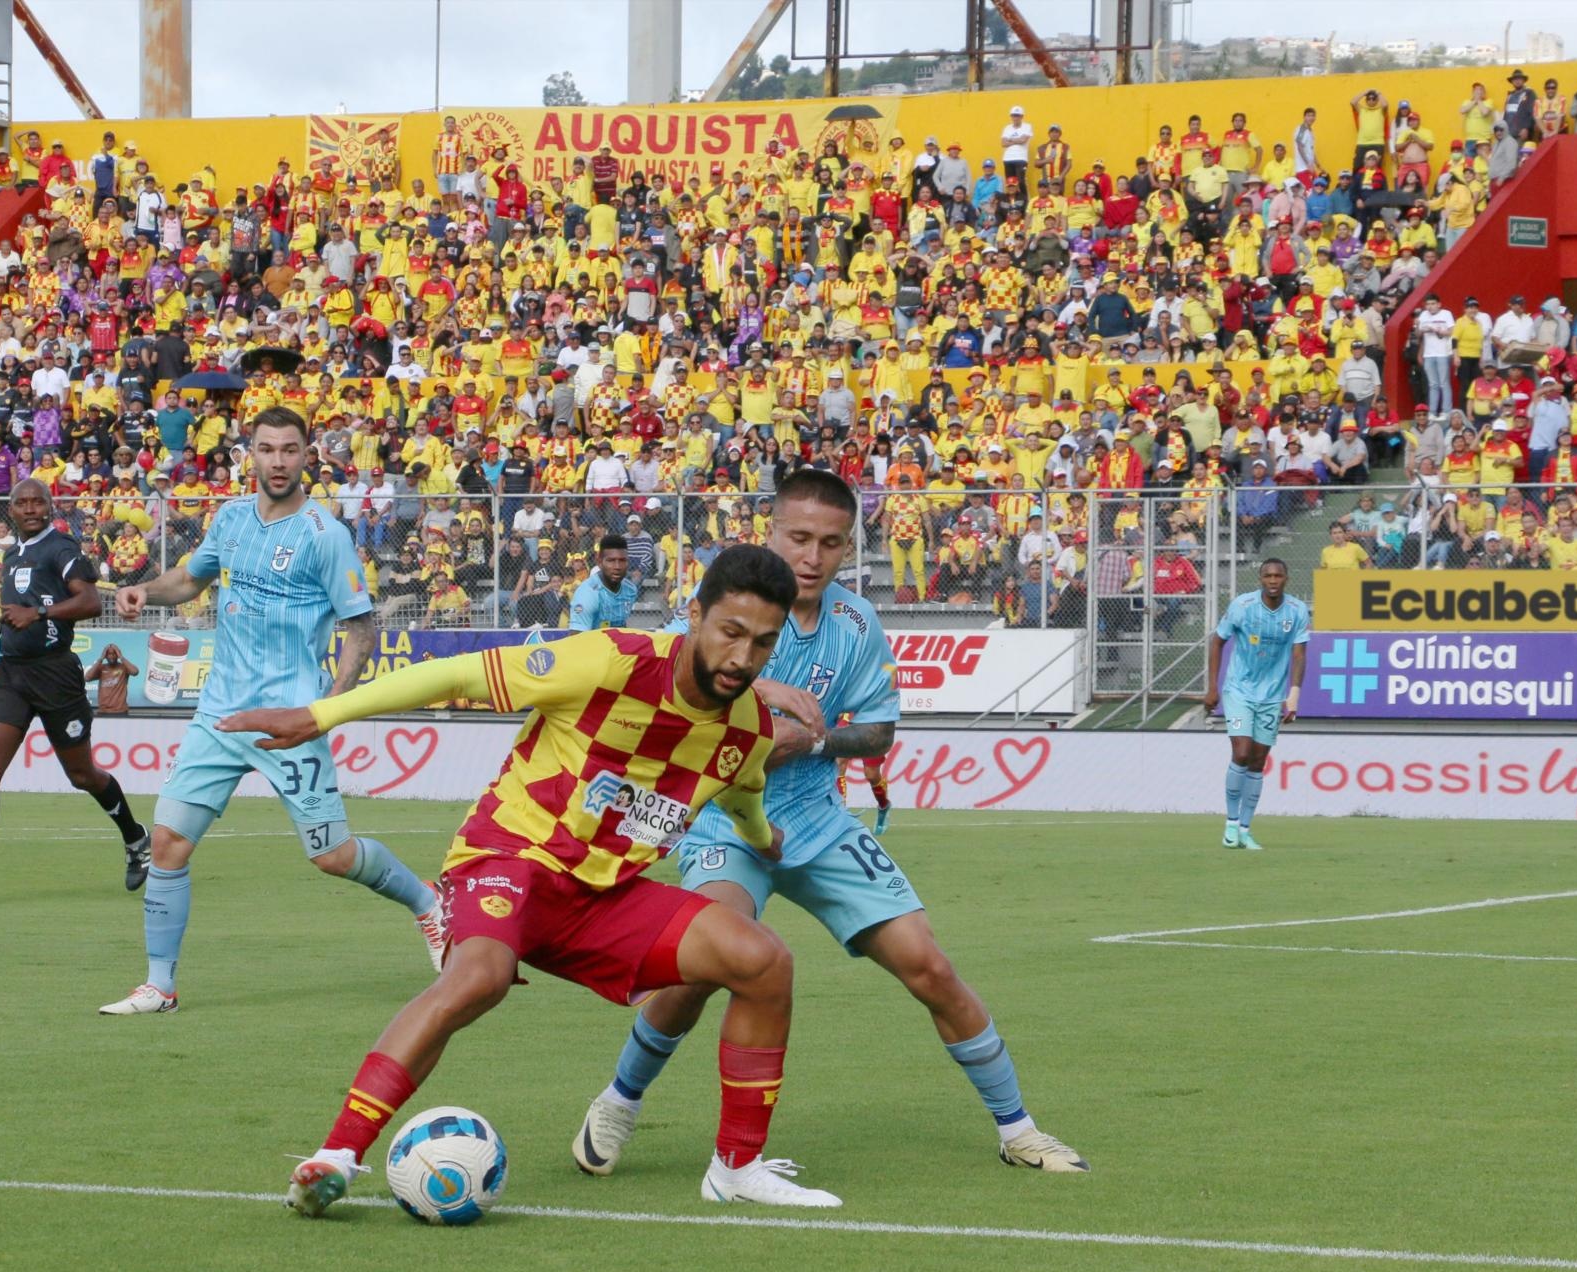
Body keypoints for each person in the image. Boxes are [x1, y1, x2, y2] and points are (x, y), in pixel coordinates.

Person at [228, 545, 846, 1214]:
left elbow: (743, 792)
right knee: (479, 978)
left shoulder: (748, 727)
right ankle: (336, 1155)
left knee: (763, 960)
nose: (742, 657)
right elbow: (456, 672)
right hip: (510, 858)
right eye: (730, 632)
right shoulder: (610, 661)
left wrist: (761, 837)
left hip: (602, 899)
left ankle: (736, 1167)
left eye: (762, 643)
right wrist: (320, 715)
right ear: (694, 615)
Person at [573, 471, 1085, 1180]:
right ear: (772, 531)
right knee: (705, 966)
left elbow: (878, 731)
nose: (812, 556)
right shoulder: (723, 604)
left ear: (849, 546)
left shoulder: (857, 624)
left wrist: (810, 742)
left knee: (930, 966)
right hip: (724, 821)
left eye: (831, 543)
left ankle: (1019, 1129)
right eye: (799, 537)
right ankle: (619, 1100)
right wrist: (753, 699)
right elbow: (652, 673)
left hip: (818, 820)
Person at [101, 407, 443, 1016]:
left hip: (290, 723)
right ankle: (160, 986)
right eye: (267, 449)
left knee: (331, 855)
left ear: (308, 455)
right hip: (219, 714)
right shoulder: (231, 519)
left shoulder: (325, 535)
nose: (278, 461)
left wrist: (328, 709)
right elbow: (189, 581)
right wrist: (144, 591)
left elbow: (361, 629)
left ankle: (429, 903)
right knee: (168, 843)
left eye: (289, 450)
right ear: (249, 454)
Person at [0, 478, 149, 902]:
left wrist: (36, 613)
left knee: (82, 775)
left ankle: (135, 838)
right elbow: (20, 611)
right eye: (23, 503)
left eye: (39, 502)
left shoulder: (61, 548)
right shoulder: (13, 553)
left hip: (56, 674)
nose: (31, 509)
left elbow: (90, 602)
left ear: (50, 507)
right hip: (11, 673)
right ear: (11, 510)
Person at [1202, 559, 1309, 852]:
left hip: (1272, 695)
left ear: (1286, 579)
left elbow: (1299, 655)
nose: (1273, 580)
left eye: (1278, 576)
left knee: (1259, 761)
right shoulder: (1242, 606)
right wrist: (1212, 687)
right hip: (1239, 690)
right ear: (1260, 579)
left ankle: (1245, 830)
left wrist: (1294, 695)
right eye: (1268, 576)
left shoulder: (1297, 610)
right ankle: (1231, 824)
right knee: (1242, 752)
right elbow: (1217, 641)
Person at [568, 533, 638, 629]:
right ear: (599, 562)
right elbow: (577, 637)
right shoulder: (587, 594)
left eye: (622, 560)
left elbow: (620, 624)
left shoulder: (631, 590)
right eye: (611, 560)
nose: (617, 566)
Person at [84, 641, 138, 716]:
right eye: (109, 654)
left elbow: (135, 672)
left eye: (114, 653)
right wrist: (101, 658)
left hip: (120, 711)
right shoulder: (101, 668)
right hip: (103, 711)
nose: (111, 656)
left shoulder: (124, 667)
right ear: (105, 655)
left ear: (117, 655)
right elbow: (87, 678)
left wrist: (121, 657)